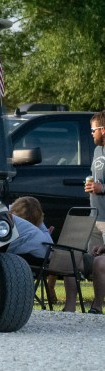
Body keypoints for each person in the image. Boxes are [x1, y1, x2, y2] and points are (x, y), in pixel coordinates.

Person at [82, 111, 105, 313]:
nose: (91, 134)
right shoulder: (98, 150)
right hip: (95, 216)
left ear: (103, 130)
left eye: (93, 130)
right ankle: (97, 304)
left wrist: (102, 188)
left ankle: (97, 305)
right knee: (94, 262)